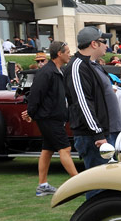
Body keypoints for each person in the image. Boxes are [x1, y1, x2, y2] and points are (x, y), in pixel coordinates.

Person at [65, 27, 121, 193]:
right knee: (98, 186)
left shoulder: (91, 65)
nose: (107, 46)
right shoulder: (77, 66)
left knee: (111, 185)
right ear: (94, 44)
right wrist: (98, 133)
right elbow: (82, 103)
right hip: (95, 136)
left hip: (105, 132)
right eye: (104, 42)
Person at [21, 41, 78, 196]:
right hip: (49, 118)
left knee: (47, 150)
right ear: (59, 53)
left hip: (53, 117)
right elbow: (36, 95)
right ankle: (79, 183)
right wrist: (31, 113)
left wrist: (31, 113)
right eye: (67, 51)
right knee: (65, 149)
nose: (69, 54)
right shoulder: (46, 72)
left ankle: (42, 185)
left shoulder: (58, 71)